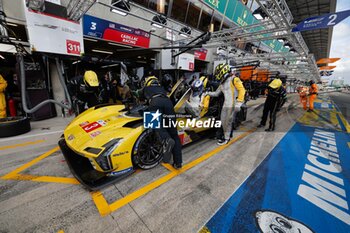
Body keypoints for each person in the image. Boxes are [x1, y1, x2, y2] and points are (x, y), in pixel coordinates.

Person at [136, 74, 183, 169]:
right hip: (168, 103)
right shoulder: (162, 88)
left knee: (153, 124)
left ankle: (166, 139)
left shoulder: (145, 88)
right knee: (174, 135)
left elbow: (139, 100)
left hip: (155, 102)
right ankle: (178, 163)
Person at [205, 64, 236, 145]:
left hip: (230, 104)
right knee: (224, 121)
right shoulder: (222, 83)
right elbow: (216, 93)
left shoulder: (233, 80)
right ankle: (224, 136)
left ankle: (226, 138)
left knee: (227, 121)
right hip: (224, 103)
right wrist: (207, 93)